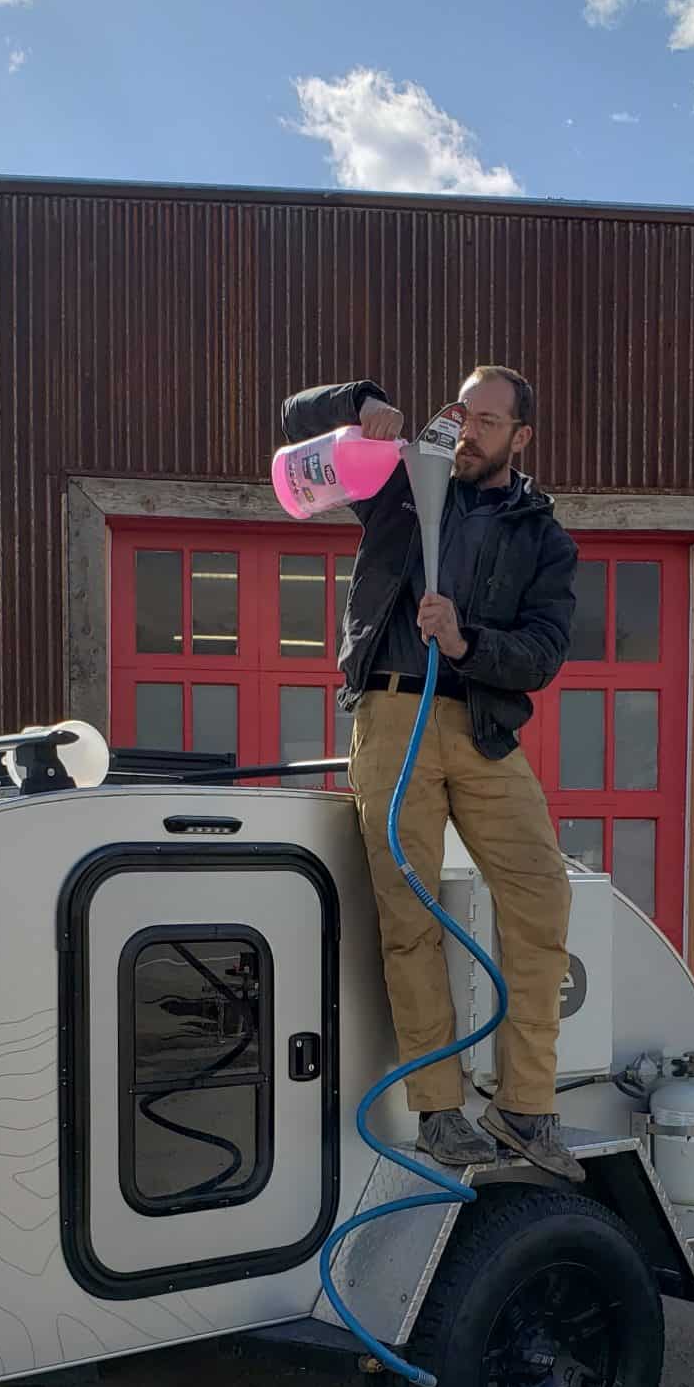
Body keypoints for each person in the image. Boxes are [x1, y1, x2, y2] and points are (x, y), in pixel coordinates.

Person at [279, 367, 583, 1181]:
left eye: (489, 421)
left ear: (521, 437)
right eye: (463, 413)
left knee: (541, 898)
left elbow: (543, 655)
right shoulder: (400, 487)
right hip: (390, 715)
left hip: (480, 726)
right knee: (406, 911)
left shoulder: (543, 535)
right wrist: (359, 405)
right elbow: (292, 418)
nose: (470, 431)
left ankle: (524, 1106)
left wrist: (465, 643)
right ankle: (440, 1110)